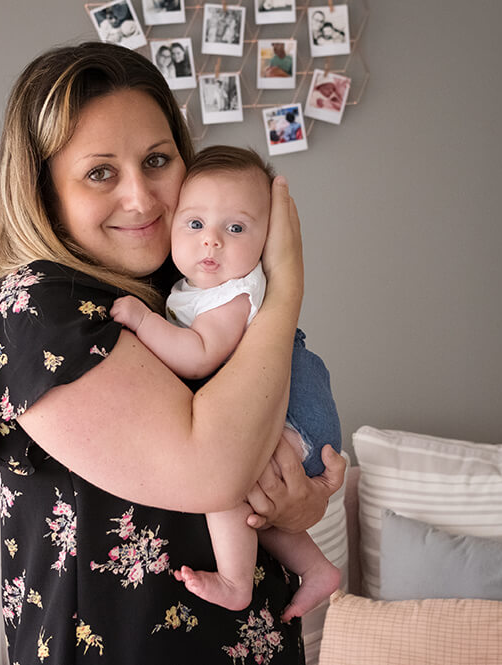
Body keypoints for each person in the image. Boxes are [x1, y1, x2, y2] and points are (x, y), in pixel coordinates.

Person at [0, 41, 345, 664]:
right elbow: (211, 469)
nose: (142, 197)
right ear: (44, 191)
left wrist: (294, 502)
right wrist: (284, 286)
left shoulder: (178, 289)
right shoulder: (40, 310)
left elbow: (256, 442)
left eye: (158, 160)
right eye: (101, 172)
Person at [111, 145, 342, 620]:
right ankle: (317, 569)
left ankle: (236, 583)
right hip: (292, 408)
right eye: (195, 224)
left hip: (297, 415)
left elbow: (198, 357)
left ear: (268, 239)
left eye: (235, 228)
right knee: (257, 501)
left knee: (223, 484)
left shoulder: (232, 296)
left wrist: (141, 319)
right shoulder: (201, 290)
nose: (211, 241)